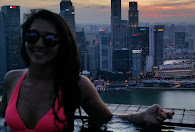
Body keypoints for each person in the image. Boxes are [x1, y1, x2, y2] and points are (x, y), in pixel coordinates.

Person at [0, 9, 174, 131]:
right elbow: (3, 118)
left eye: (50, 39)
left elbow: (106, 118)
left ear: (62, 45)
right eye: (32, 36)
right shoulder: (12, 79)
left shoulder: (77, 84)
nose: (39, 44)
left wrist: (140, 116)